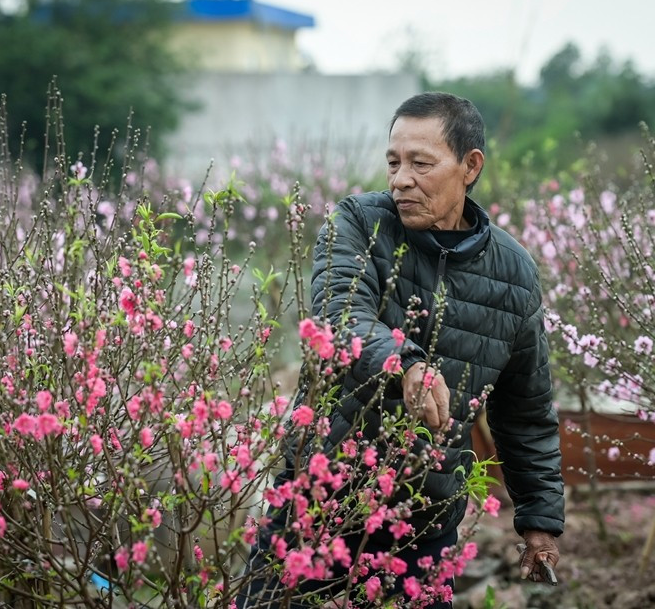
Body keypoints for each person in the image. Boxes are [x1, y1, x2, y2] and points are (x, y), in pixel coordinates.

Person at [236, 92, 564, 608]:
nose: (400, 179)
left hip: (422, 524)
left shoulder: (514, 274)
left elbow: (524, 411)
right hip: (318, 503)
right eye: (393, 162)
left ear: (470, 166)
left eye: (421, 163)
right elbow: (337, 312)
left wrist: (540, 522)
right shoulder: (358, 223)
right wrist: (405, 364)